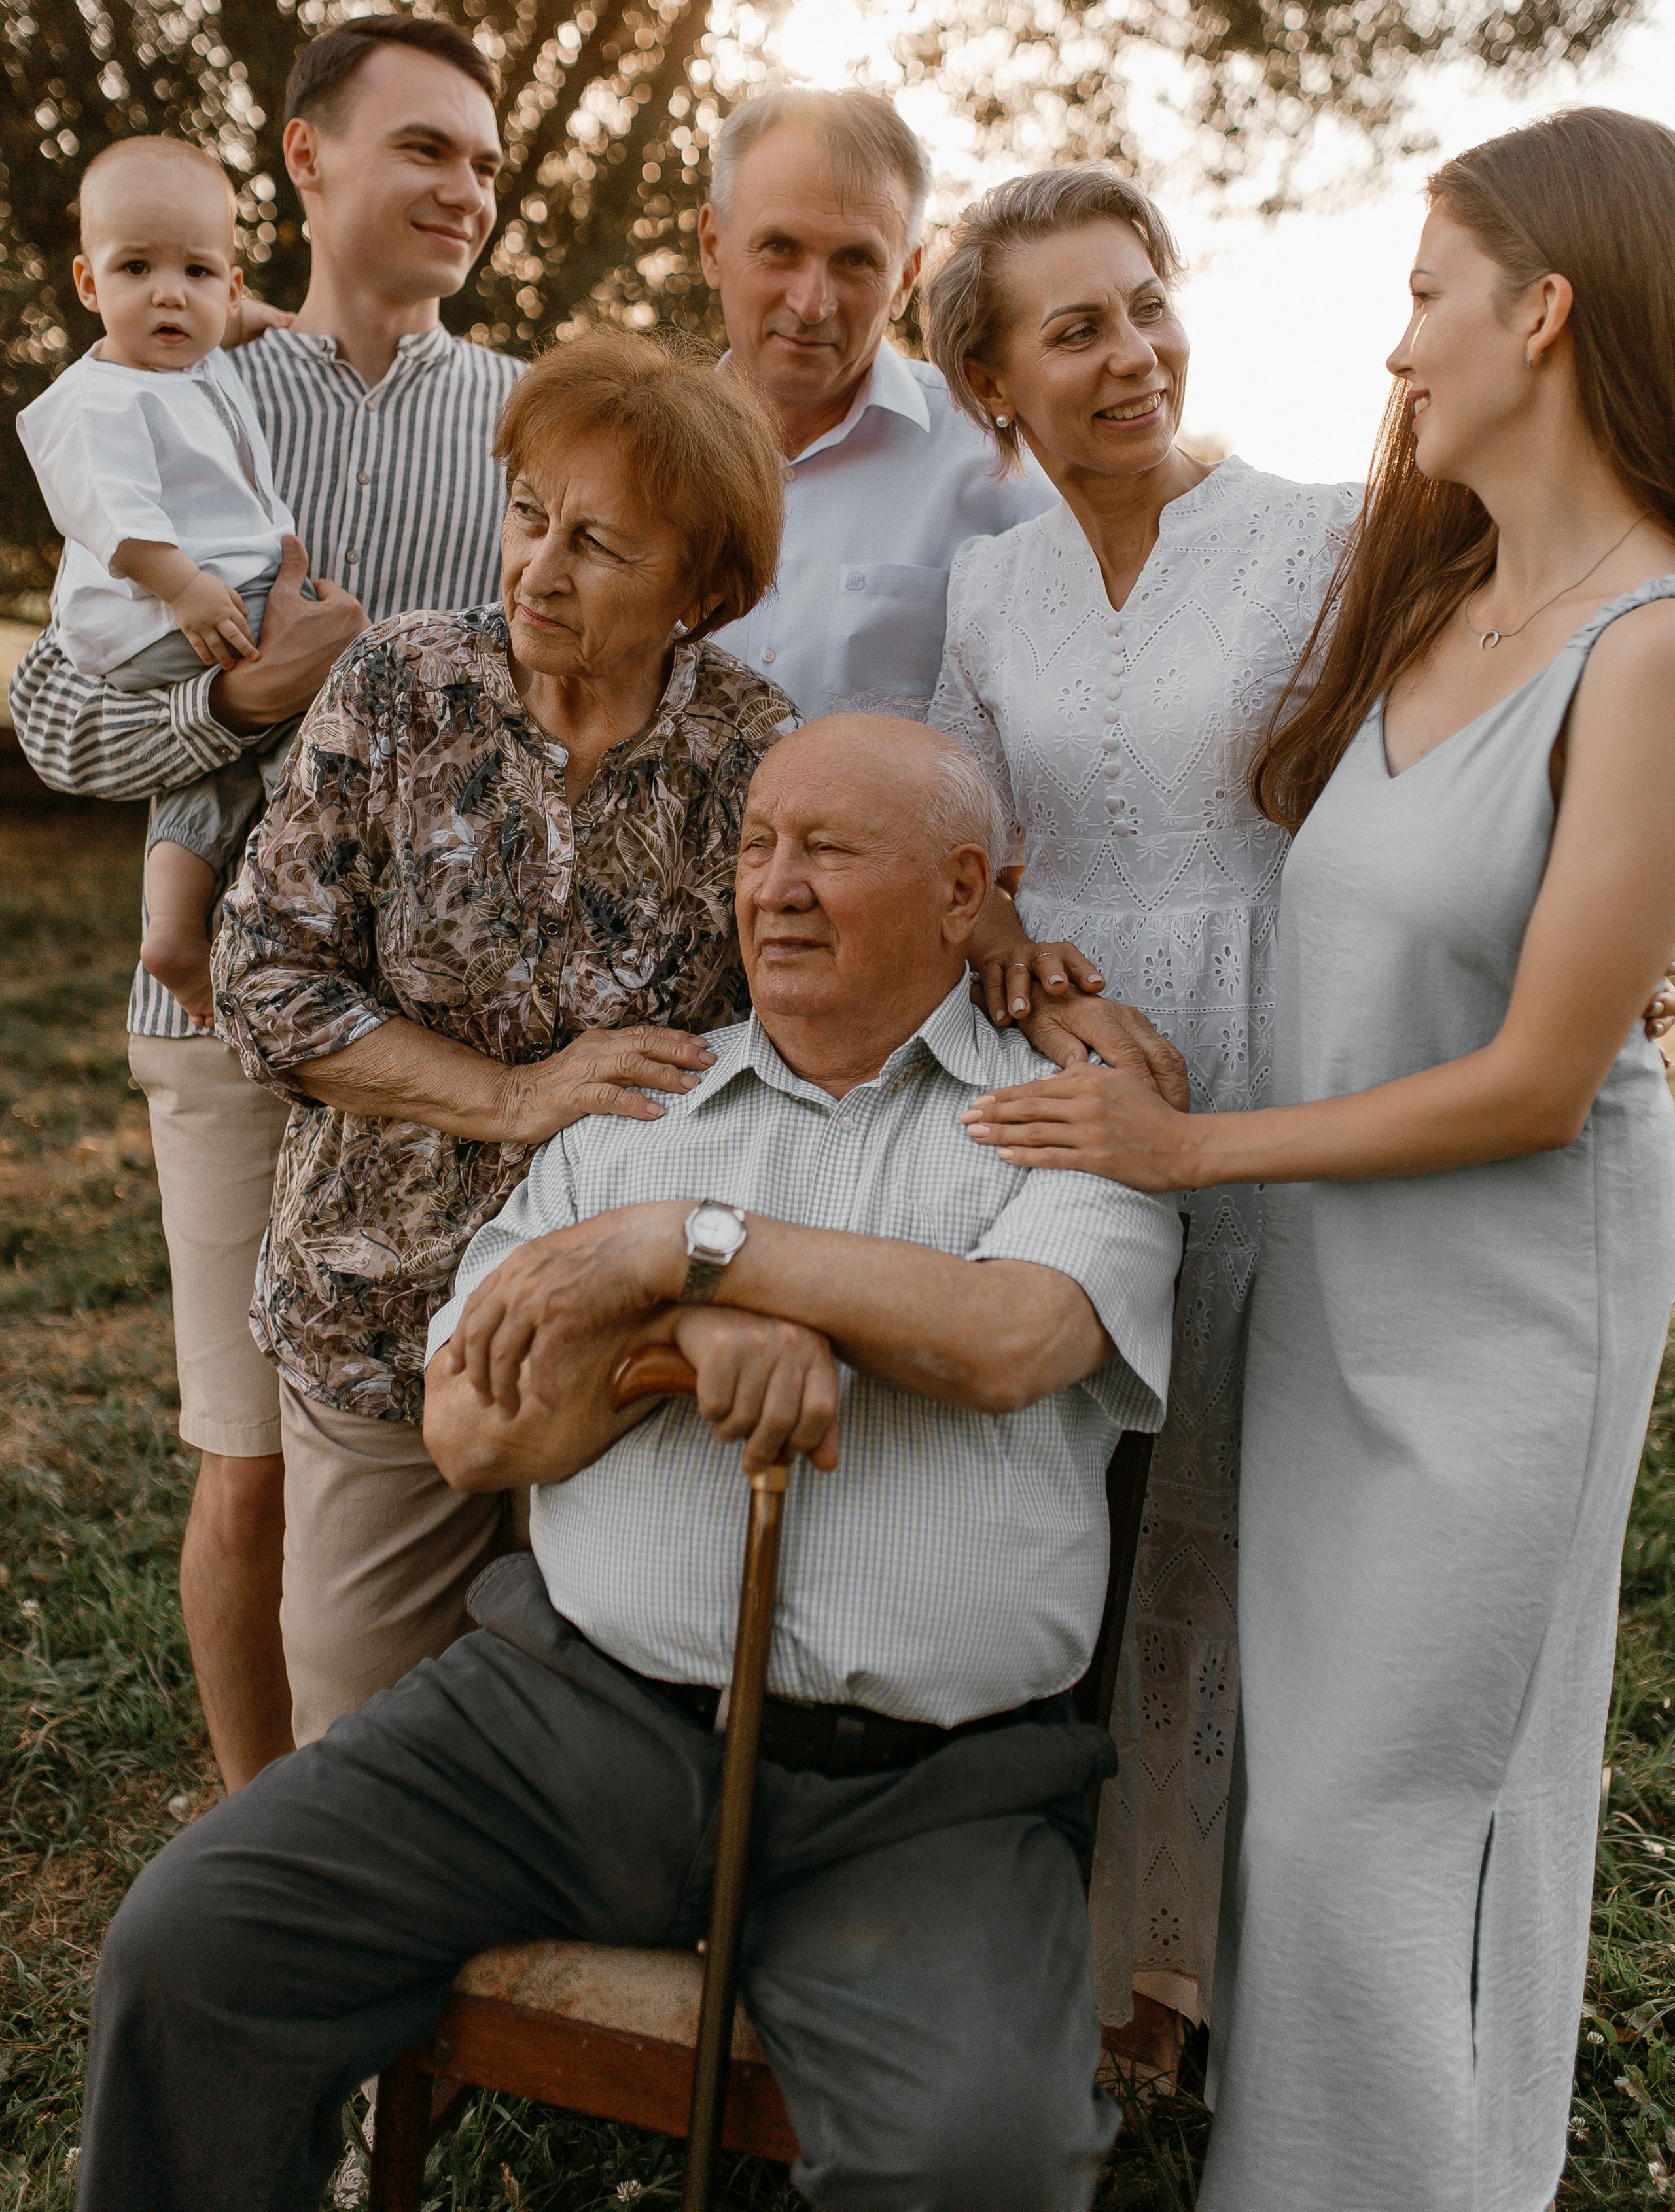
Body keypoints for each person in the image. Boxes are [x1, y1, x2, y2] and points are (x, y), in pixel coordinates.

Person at [77, 714, 1183, 2212]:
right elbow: (472, 1434)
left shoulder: (1065, 1119)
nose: (773, 887)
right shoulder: (637, 1110)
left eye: (829, 850)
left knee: (979, 2156)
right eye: (752, 847)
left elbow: (1007, 1337)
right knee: (194, 1943)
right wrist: (667, 1345)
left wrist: (692, 1247)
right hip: (556, 1721)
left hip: (924, 1797)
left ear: (962, 888)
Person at [960, 107, 1675, 2211]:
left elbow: (1549, 1075)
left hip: (1499, 1322)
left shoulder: (1643, 645)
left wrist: (1186, 1149)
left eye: (1423, 296)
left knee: (1396, 1812)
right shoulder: (1438, 586)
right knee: (1315, 1814)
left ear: (1540, 312)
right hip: (1343, 1283)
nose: (1392, 348)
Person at [8, 12, 520, 1787]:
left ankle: (423, 1849)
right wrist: (244, 694)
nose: (463, 184)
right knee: (246, 1458)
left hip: (451, 1051)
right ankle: (251, 1842)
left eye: (479, 153)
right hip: (221, 1021)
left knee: (449, 1445)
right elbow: (58, 713)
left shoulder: (526, 418)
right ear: (308, 160)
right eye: (422, 147)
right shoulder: (186, 390)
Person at [922, 162, 1359, 2056]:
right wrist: (1010, 930)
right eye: (1076, 327)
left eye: (1149, 302)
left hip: (1273, 1034)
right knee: (1066, 1480)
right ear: (994, 383)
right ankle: (1039, 1927)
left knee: (1239, 1491)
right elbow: (962, 834)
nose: (1134, 354)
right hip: (1061, 1065)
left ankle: (1186, 1963)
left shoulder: (1320, 533)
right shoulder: (985, 581)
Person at [211, 332, 794, 1744]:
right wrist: (509, 1095)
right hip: (379, 1309)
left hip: (616, 1343)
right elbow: (261, 974)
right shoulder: (399, 688)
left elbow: (815, 1010)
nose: (538, 567)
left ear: (700, 590)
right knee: (355, 1732)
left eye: (598, 545)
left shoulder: (751, 751)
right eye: (529, 513)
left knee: (588, 1751)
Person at [19, 138, 302, 1026]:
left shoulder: (194, 354)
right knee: (332, 688)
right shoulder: (101, 398)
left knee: (215, 768)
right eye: (136, 267)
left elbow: (232, 324)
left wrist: (277, 322)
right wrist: (182, 587)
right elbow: (114, 517)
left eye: (197, 270)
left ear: (229, 283)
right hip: (171, 610)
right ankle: (317, 857)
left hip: (204, 601)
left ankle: (175, 928)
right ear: (88, 284)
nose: (169, 292)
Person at [697, 85, 1057, 718]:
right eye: (780, 248)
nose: (812, 304)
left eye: (856, 260)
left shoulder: (998, 465)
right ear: (711, 246)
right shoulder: (637, 456)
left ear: (905, 280)